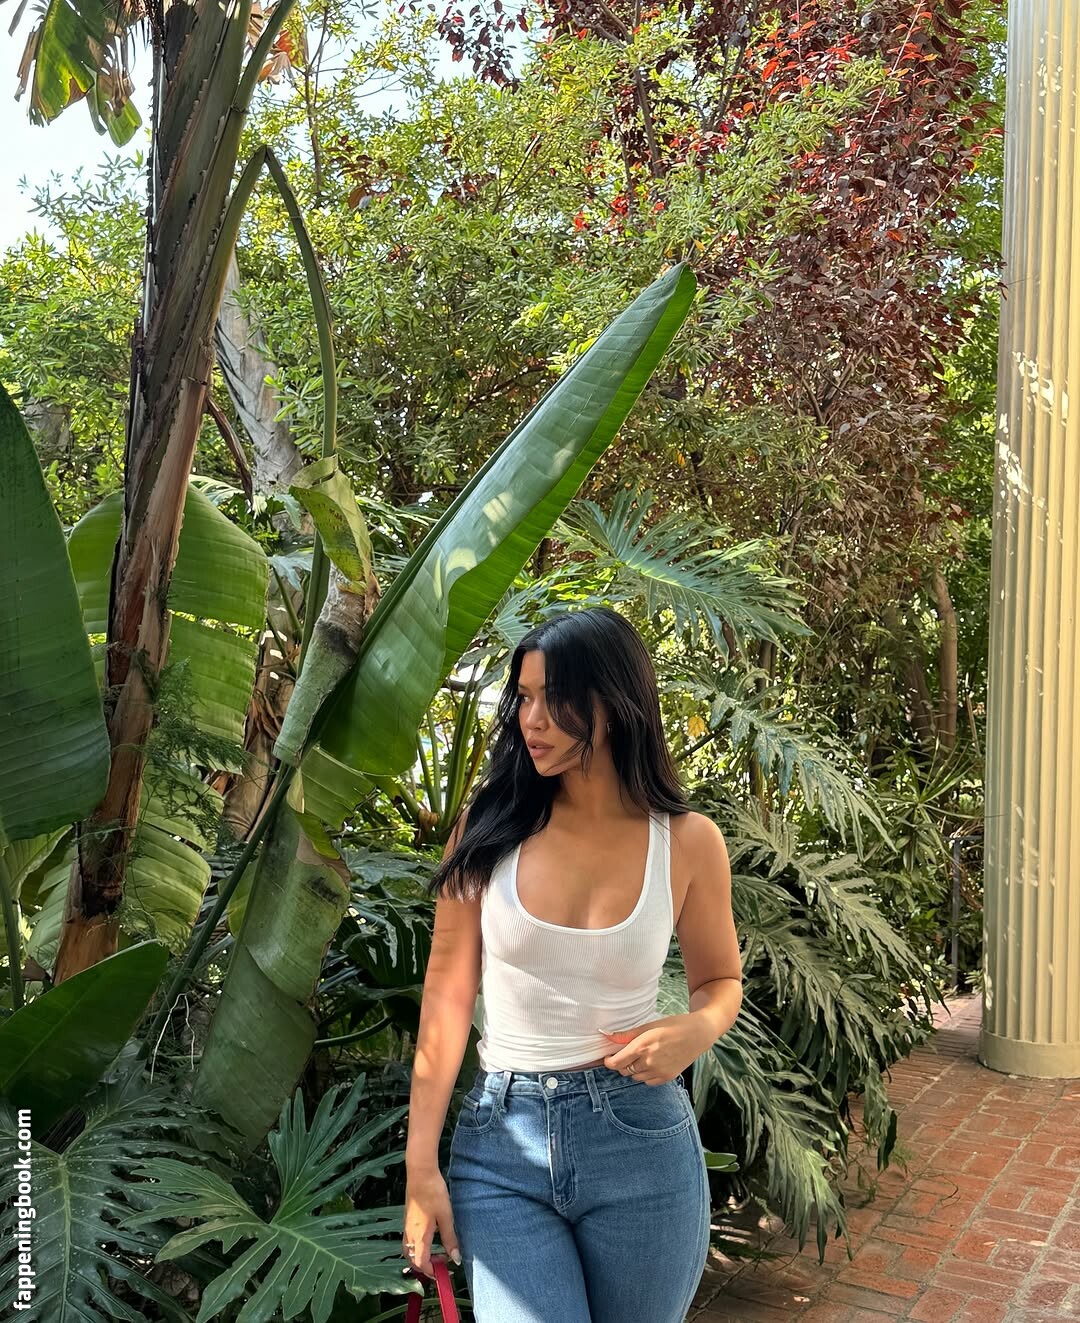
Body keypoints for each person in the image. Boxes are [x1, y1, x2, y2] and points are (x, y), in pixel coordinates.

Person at [402, 606, 742, 1322]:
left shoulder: (687, 842)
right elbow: (447, 995)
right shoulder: (487, 830)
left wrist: (696, 1028)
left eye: (553, 698)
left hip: (640, 1137)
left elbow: (720, 981)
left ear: (612, 704)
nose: (531, 720)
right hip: (504, 1142)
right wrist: (420, 1164)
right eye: (523, 697)